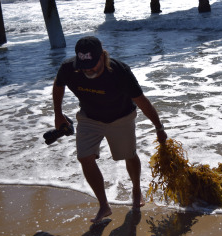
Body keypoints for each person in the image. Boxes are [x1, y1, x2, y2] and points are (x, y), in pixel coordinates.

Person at [52, 36, 167, 223]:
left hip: (121, 117)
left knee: (128, 155)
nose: (88, 69)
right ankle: (104, 205)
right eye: (84, 65)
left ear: (103, 56)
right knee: (84, 157)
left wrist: (159, 127)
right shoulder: (69, 68)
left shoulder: (120, 71)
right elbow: (58, 86)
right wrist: (58, 114)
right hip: (89, 118)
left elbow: (142, 101)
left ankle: (136, 190)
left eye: (92, 64)